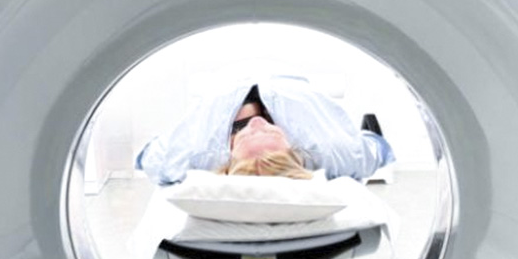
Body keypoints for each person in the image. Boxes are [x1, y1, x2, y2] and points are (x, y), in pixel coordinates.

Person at [135, 76, 395, 185]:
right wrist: (373, 139)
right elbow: (374, 152)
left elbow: (149, 157)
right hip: (288, 79)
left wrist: (154, 147)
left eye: (243, 133)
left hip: (228, 78)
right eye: (272, 131)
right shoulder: (328, 151)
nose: (257, 124)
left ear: (228, 157)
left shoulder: (197, 155)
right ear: (294, 151)